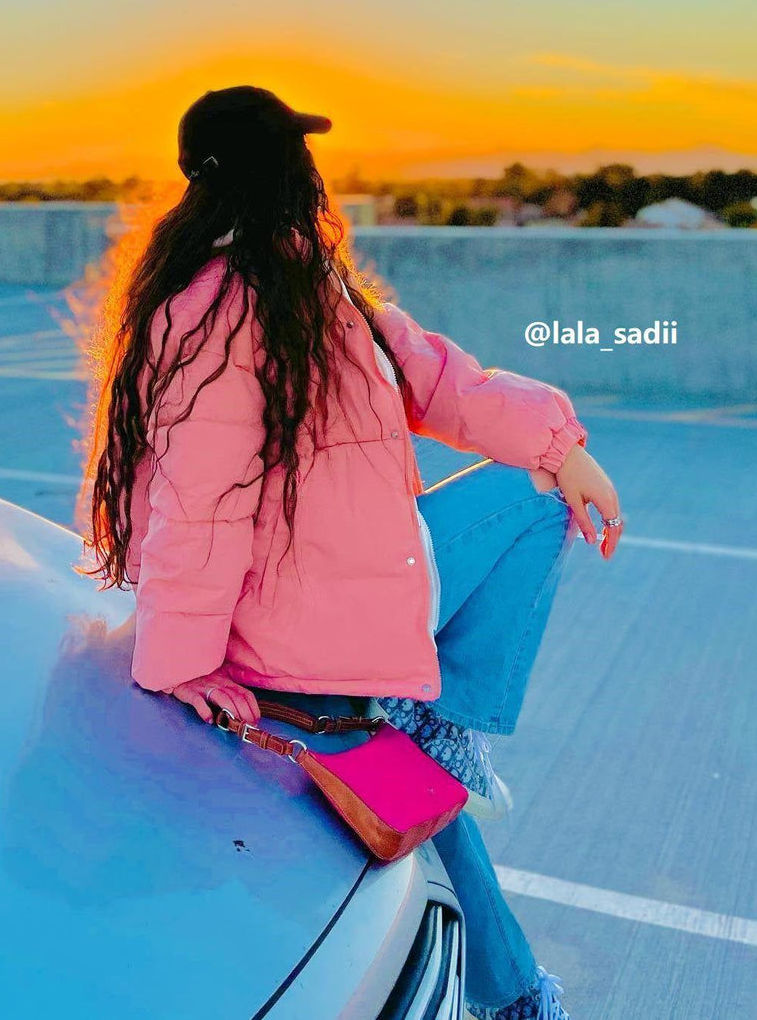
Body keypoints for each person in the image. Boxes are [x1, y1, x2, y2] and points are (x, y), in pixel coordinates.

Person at [80, 85, 623, 1020]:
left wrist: (561, 446)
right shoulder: (213, 315)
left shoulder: (315, 289)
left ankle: (445, 725)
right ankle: (517, 995)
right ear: (282, 173)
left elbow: (442, 379)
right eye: (299, 159)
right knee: (416, 806)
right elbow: (197, 509)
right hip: (293, 635)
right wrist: (181, 663)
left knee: (533, 496)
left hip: (358, 585)